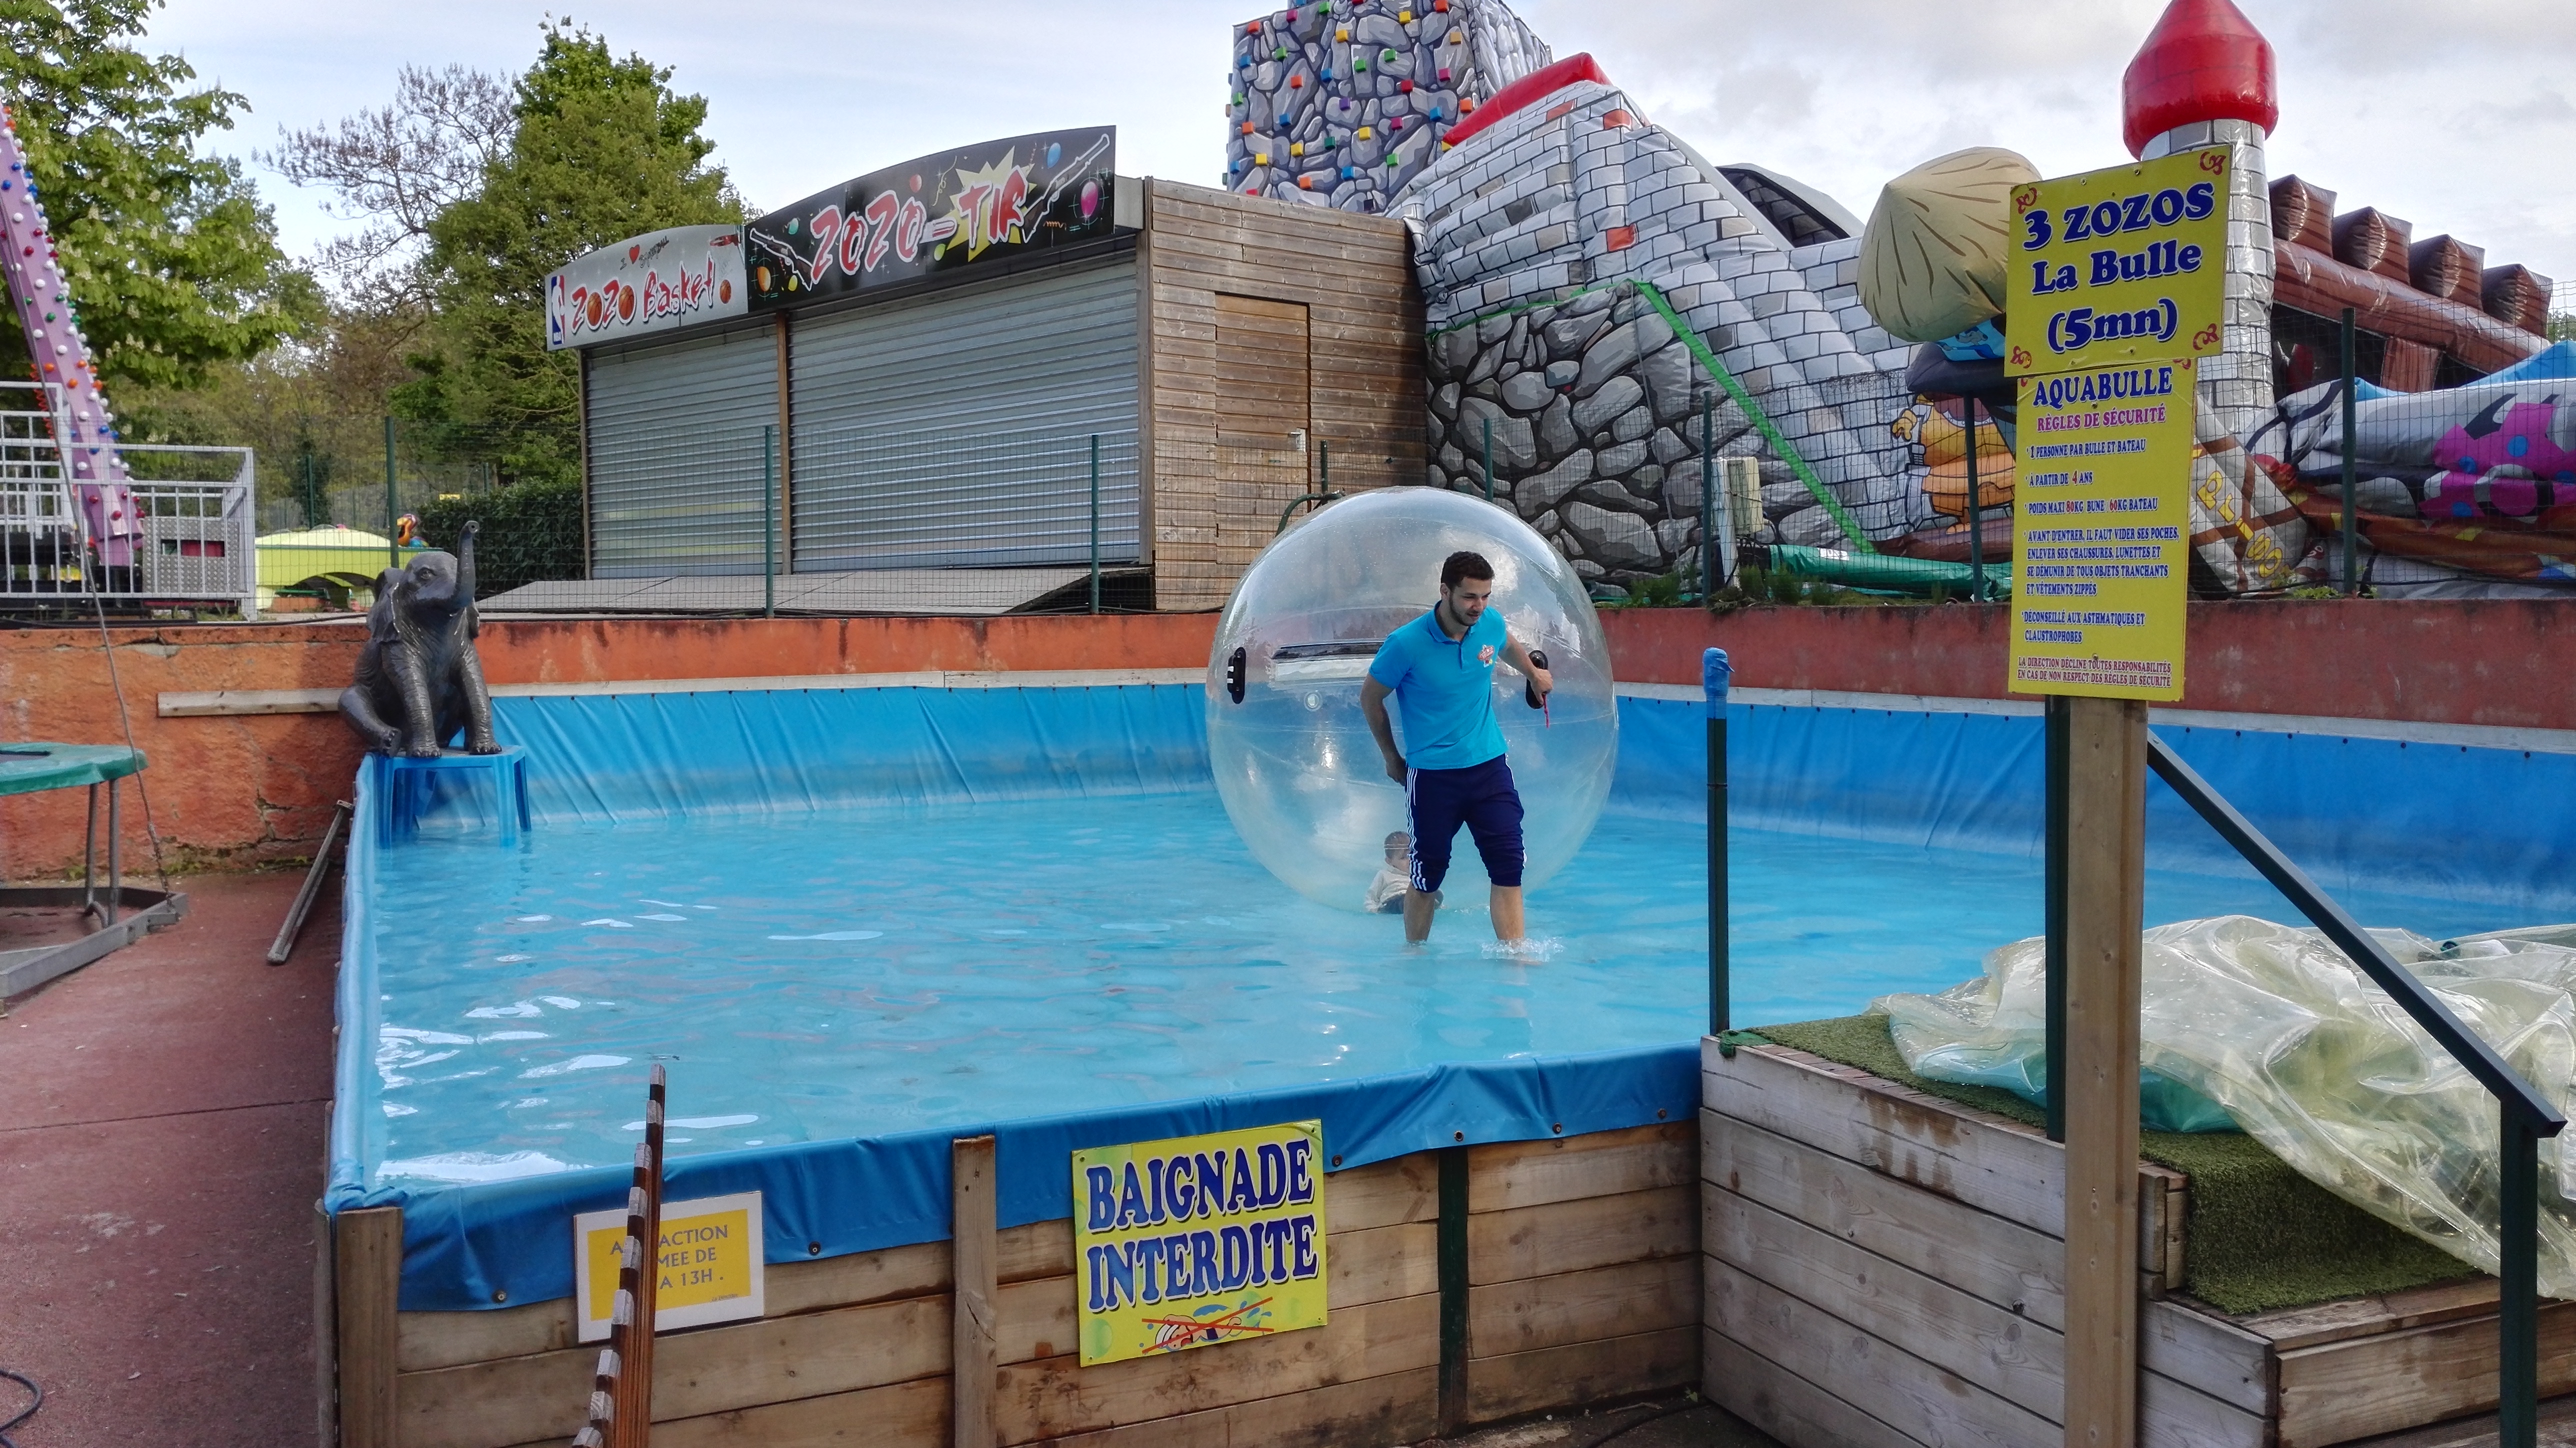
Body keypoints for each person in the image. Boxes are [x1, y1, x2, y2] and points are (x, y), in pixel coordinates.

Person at [1358, 550, 1552, 944]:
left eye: (1485, 596)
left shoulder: (1488, 623)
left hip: (1489, 767)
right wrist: (1391, 757)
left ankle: (1515, 959)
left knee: (1508, 864)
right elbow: (1370, 698)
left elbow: (1505, 643)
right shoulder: (1406, 644)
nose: (1478, 606)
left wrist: (1533, 673)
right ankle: (1415, 956)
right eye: (1469, 597)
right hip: (1433, 777)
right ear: (1445, 591)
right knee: (1427, 876)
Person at [1362, 830, 1424, 914]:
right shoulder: (1384, 874)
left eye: (1412, 855)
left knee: (1426, 893)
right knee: (1404, 900)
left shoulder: (1418, 874)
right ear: (1389, 861)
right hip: (1392, 901)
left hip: (1413, 898)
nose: (1410, 860)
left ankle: (1431, 901)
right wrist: (1374, 910)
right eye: (1403, 858)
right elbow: (1371, 897)